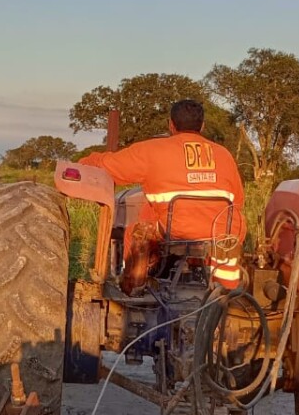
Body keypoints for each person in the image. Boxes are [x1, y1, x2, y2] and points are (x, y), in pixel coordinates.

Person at [79, 99, 246, 293]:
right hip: (224, 230)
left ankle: (133, 289)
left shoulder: (152, 150)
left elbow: (108, 165)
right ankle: (225, 295)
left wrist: (85, 162)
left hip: (176, 229)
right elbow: (238, 201)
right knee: (229, 235)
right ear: (202, 126)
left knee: (135, 231)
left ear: (171, 125)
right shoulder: (224, 154)